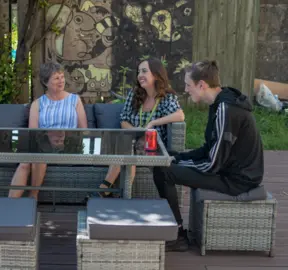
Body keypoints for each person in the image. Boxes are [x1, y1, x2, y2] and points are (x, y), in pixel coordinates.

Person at [153, 60, 264, 252]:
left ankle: (178, 235)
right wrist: (178, 158)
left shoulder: (226, 110)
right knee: (169, 159)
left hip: (238, 179)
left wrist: (176, 165)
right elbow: (208, 149)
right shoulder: (220, 104)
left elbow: (212, 164)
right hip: (227, 170)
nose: (187, 90)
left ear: (202, 85)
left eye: (189, 85)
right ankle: (176, 229)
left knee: (164, 171)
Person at [89, 57, 185, 198]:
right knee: (127, 146)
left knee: (125, 147)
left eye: (144, 71)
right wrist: (137, 132)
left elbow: (180, 115)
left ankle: (105, 189)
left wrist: (153, 124)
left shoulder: (166, 97)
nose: (140, 75)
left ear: (156, 75)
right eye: (139, 71)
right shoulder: (135, 94)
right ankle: (123, 196)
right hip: (132, 141)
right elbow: (124, 120)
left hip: (153, 147)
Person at [8, 62, 88, 200]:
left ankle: (33, 197)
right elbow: (33, 133)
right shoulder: (38, 104)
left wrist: (68, 136)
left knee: (38, 155)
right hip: (45, 145)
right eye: (56, 78)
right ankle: (12, 204)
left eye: (62, 77)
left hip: (69, 145)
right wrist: (48, 136)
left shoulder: (75, 100)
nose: (61, 80)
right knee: (26, 162)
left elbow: (84, 131)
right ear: (46, 82)